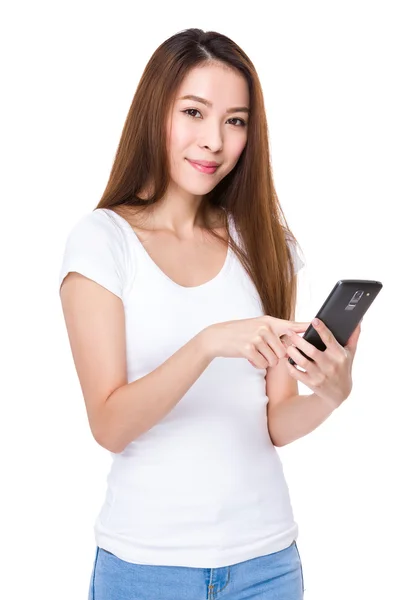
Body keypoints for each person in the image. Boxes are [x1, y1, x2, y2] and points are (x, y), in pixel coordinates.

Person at [59, 28, 361, 600]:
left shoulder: (265, 244)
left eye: (236, 121)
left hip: (267, 566)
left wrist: (330, 393)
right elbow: (109, 424)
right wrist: (206, 343)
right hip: (146, 570)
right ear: (156, 113)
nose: (214, 141)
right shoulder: (103, 243)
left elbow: (274, 422)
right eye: (194, 112)